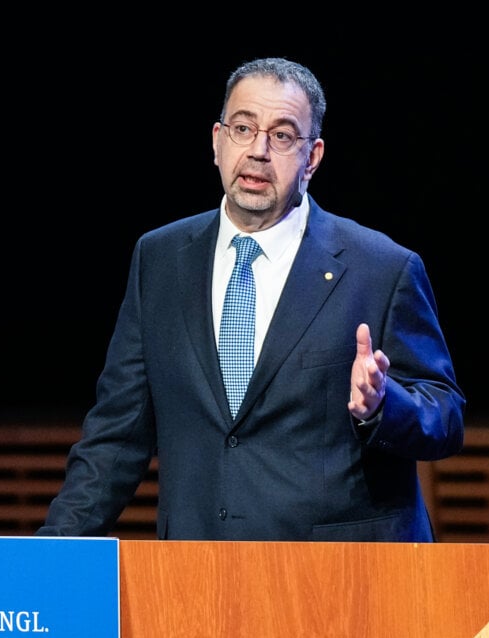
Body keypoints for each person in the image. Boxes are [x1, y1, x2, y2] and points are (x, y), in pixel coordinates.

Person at [37, 57, 465, 542]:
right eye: (243, 128)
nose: (259, 150)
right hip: (198, 577)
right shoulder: (159, 259)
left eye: (282, 136)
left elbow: (444, 415)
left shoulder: (381, 267)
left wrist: (381, 405)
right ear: (217, 141)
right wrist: (52, 557)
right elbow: (116, 435)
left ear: (313, 157)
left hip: (340, 580)